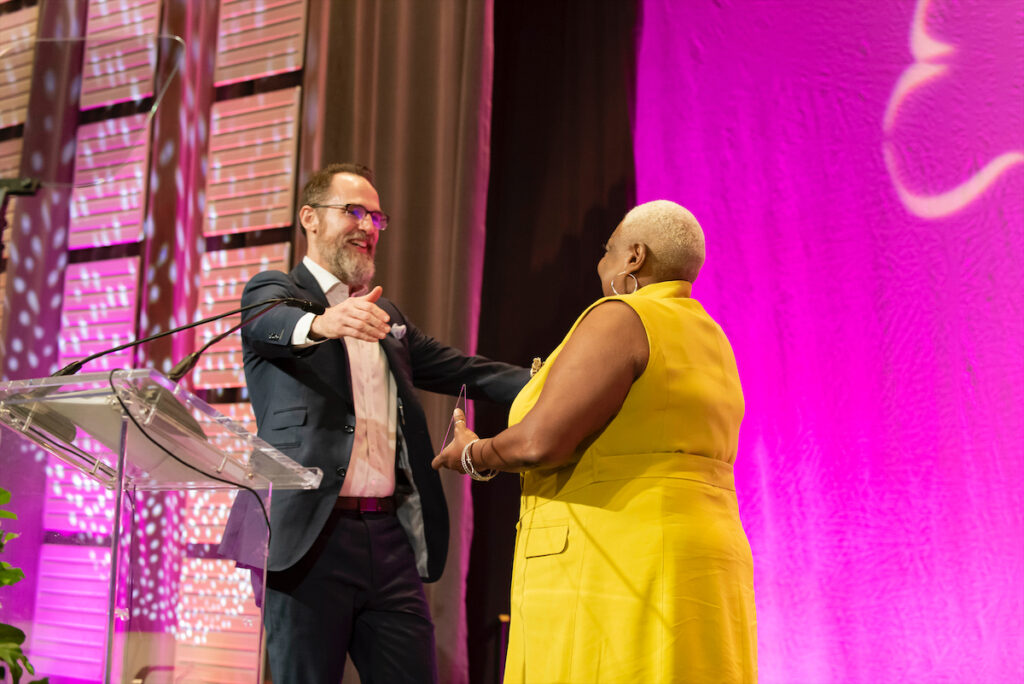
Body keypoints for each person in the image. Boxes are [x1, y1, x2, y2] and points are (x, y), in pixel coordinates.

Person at [220, 162, 530, 684]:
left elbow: (466, 371)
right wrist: (322, 322)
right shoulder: (273, 290)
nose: (368, 226)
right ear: (310, 219)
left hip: (387, 541)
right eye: (354, 212)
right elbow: (269, 323)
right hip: (306, 541)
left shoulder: (386, 319)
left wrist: (556, 382)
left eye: (377, 218)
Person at [434, 200, 758, 683]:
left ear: (634, 258)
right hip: (702, 569)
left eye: (607, 251)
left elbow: (541, 442)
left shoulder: (622, 316)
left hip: (620, 567)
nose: (598, 264)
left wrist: (470, 452)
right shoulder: (712, 336)